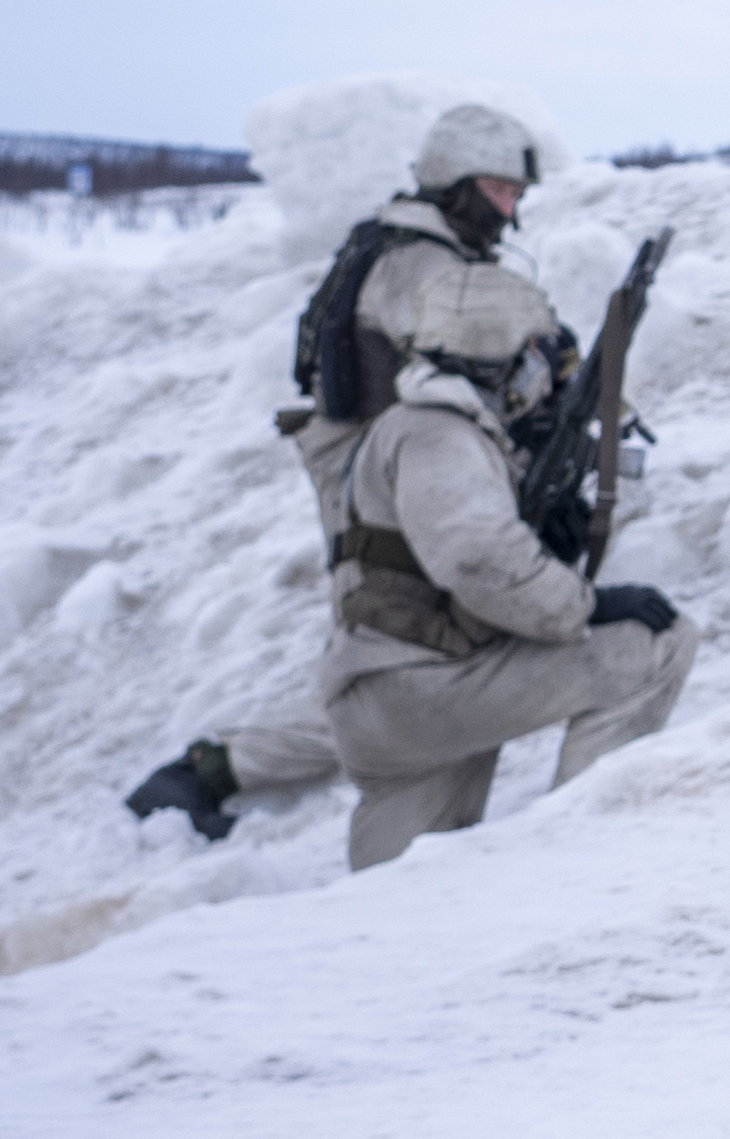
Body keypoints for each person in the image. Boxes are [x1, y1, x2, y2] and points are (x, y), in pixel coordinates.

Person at [128, 102, 564, 841]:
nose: (510, 207)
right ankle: (214, 772)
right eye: (499, 189)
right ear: (455, 180)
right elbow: (466, 368)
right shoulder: (419, 261)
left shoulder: (421, 245)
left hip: (394, 464)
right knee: (396, 663)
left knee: (399, 657)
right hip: (382, 474)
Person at [307, 252, 696, 869]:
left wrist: (553, 548)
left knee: (403, 887)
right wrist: (585, 605)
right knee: (654, 643)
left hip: (383, 696)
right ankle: (584, 854)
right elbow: (475, 559)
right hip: (423, 686)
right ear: (505, 358)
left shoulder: (413, 427)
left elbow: (452, 553)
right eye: (536, 354)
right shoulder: (437, 431)